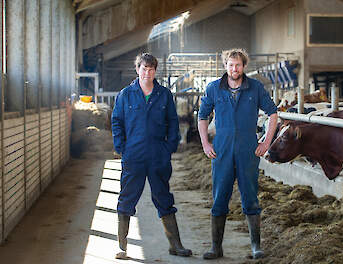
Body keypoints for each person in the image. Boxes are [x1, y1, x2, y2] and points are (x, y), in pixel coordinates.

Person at [198, 48, 278, 259]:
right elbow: (202, 116)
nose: (235, 69)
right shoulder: (214, 88)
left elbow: (273, 113)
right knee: (219, 198)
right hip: (221, 151)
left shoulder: (255, 87)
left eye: (238, 65)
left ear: (244, 66)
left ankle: (255, 246)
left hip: (247, 151)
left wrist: (266, 141)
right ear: (225, 66)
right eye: (231, 65)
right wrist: (205, 143)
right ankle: (216, 247)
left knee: (250, 197)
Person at [111, 53, 192, 259]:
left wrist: (169, 147)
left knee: (164, 198)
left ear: (155, 71)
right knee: (127, 198)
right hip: (134, 155)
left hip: (158, 155)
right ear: (137, 69)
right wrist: (122, 147)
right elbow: (116, 121)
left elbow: (173, 122)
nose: (147, 73)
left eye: (151, 69)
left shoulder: (164, 94)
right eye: (144, 69)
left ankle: (176, 245)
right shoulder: (125, 94)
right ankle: (122, 246)